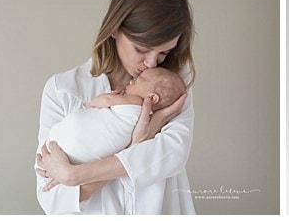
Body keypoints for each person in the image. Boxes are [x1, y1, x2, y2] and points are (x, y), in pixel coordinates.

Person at [35, 0, 196, 214]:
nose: (152, 63)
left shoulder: (170, 86)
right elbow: (52, 200)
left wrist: (74, 174)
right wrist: (139, 142)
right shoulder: (63, 90)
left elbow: (172, 154)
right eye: (141, 49)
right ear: (115, 29)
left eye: (164, 52)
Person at [46, 67, 186, 165]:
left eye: (138, 80)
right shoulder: (148, 118)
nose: (131, 81)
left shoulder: (136, 102)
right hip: (86, 158)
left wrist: (91, 105)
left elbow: (106, 101)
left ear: (152, 98)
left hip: (71, 142)